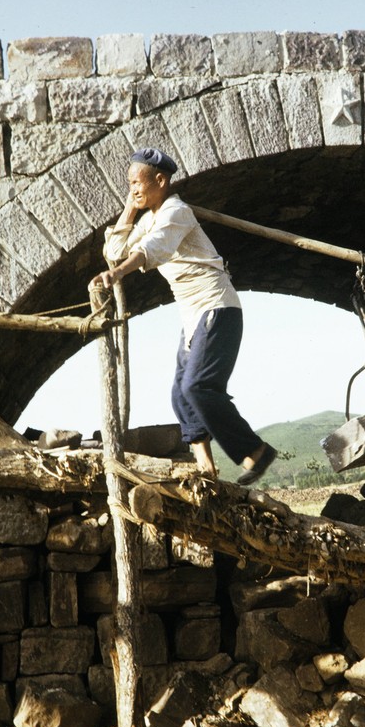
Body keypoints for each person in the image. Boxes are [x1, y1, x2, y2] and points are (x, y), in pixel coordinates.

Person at [90, 147, 276, 486]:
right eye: (129, 183)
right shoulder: (149, 218)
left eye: (138, 183)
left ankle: (256, 451)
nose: (133, 188)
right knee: (180, 393)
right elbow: (114, 251)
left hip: (216, 307)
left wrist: (117, 275)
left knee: (198, 386)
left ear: (160, 180)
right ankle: (206, 468)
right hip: (194, 316)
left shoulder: (177, 212)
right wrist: (131, 206)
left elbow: (152, 249)